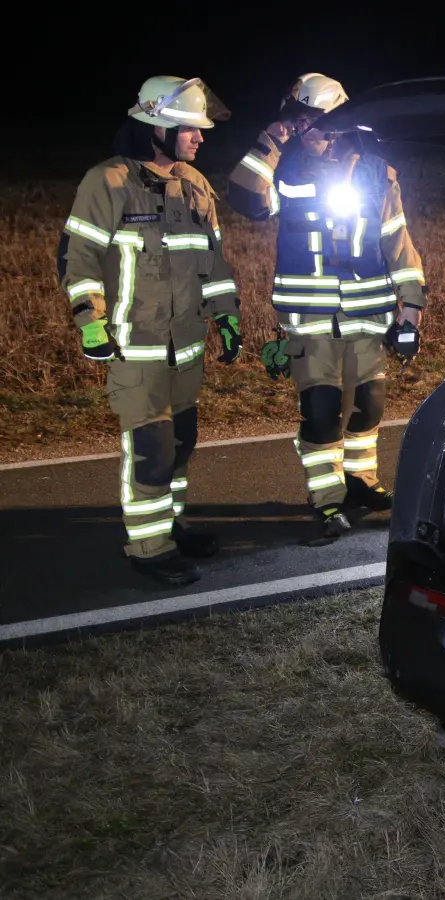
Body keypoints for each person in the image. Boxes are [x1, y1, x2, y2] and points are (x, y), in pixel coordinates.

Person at [225, 73, 427, 544]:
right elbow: (247, 200)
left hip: (368, 315)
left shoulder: (379, 171)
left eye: (319, 121)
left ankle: (360, 481)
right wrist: (267, 144)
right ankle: (327, 500)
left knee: (369, 407)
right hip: (309, 317)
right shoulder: (284, 168)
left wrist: (411, 309)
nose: (310, 130)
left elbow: (398, 242)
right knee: (321, 409)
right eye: (299, 120)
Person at [57, 75, 240, 587]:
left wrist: (225, 312)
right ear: (156, 126)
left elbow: (214, 260)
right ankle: (149, 547)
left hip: (186, 344)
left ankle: (170, 526)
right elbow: (80, 258)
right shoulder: (108, 181)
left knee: (181, 440)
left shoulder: (196, 185)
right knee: (151, 447)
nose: (200, 138)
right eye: (189, 128)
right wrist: (90, 322)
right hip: (134, 346)